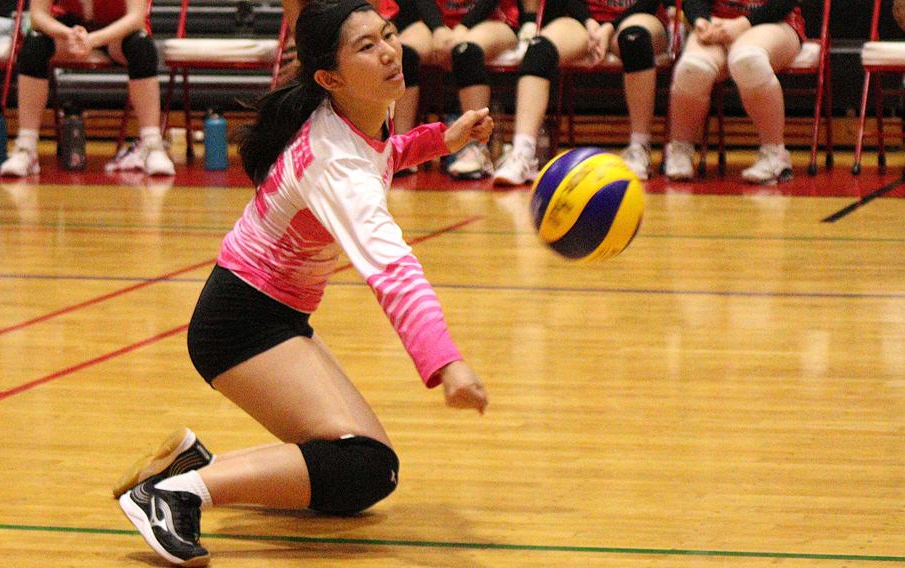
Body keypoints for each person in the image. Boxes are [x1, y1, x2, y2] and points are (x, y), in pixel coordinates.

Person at [115, 1, 491, 565]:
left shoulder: (358, 112)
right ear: (329, 78)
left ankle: (191, 469)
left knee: (362, 476)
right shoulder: (332, 162)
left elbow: (380, 157)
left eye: (388, 35)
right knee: (363, 465)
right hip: (239, 326)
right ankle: (172, 494)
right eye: (367, 46)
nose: (390, 50)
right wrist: (447, 365)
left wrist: (442, 139)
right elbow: (393, 272)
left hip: (270, 317)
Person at [493, 0, 668, 185]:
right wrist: (590, 23)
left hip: (638, 17)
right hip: (583, 22)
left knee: (634, 38)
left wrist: (609, 27)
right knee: (538, 49)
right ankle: (523, 153)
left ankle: (640, 148)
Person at [0, 0, 175, 177]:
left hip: (116, 31)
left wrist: (93, 39)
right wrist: (68, 34)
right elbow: (37, 16)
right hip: (70, 30)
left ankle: (152, 145)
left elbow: (136, 18)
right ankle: (26, 147)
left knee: (142, 46)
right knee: (34, 45)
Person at [664, 0, 804, 183]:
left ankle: (775, 153)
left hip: (774, 22)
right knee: (694, 68)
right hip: (718, 21)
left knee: (748, 60)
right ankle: (680, 149)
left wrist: (742, 25)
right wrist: (700, 21)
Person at [419, 0, 518, 179]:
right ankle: (396, 149)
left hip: (491, 19)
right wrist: (438, 28)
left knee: (465, 51)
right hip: (435, 23)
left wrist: (464, 27)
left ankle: (476, 149)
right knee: (404, 52)